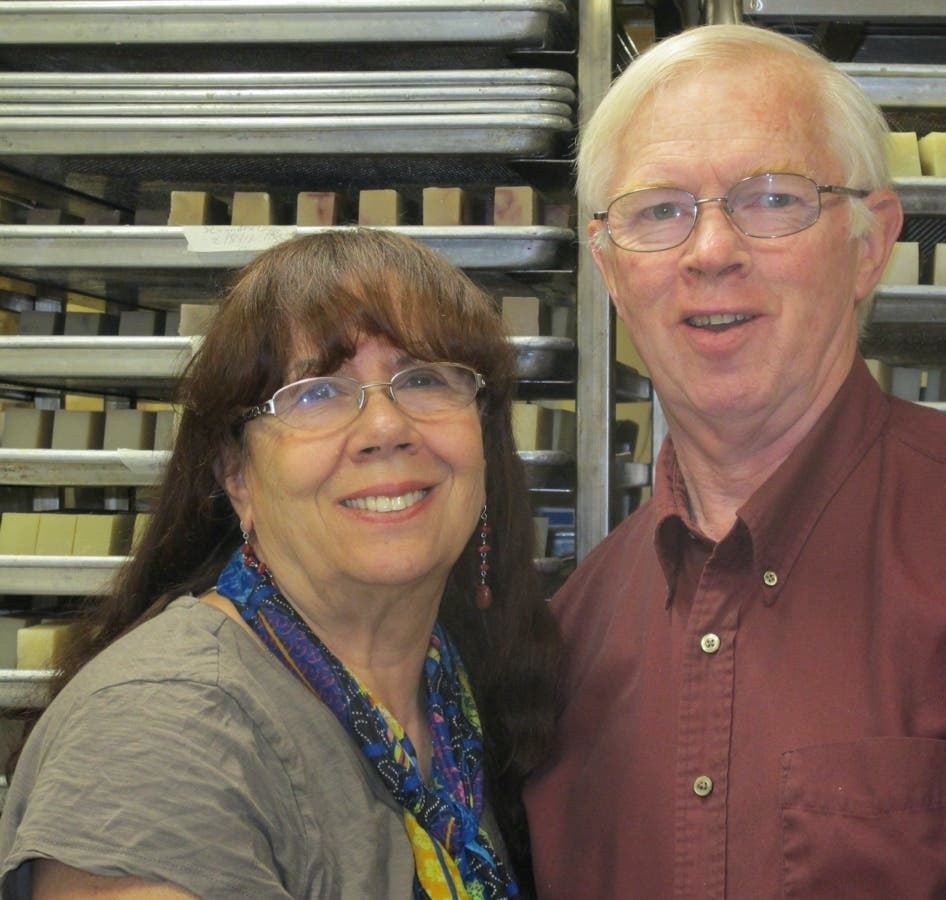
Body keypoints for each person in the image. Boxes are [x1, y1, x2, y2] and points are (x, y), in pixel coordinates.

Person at [524, 23, 946, 899]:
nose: (711, 251)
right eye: (659, 211)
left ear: (870, 243)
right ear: (611, 270)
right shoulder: (571, 636)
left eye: (771, 199)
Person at [0, 229, 561, 898]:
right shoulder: (159, 735)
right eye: (317, 392)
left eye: (425, 379)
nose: (386, 427)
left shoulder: (454, 686)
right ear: (236, 475)